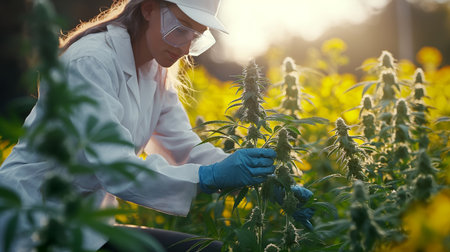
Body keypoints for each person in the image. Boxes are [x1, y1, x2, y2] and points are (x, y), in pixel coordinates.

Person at [0, 0, 312, 251]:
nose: (185, 47)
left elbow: (185, 148)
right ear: (148, 8)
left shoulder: (156, 72)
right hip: (31, 219)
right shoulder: (91, 62)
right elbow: (115, 168)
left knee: (204, 249)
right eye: (180, 29)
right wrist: (209, 177)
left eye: (196, 36)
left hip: (84, 225)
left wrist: (265, 183)